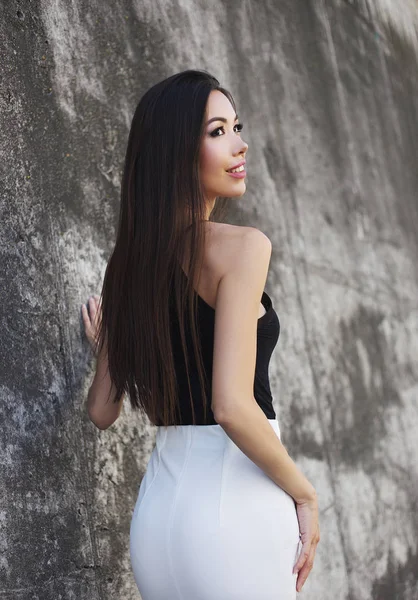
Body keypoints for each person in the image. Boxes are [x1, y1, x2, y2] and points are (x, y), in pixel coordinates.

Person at [81, 69, 320, 599]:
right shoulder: (243, 247)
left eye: (236, 127)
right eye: (217, 132)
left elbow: (102, 411)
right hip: (237, 513)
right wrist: (304, 493)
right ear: (175, 152)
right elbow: (232, 407)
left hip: (158, 522)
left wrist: (112, 346)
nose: (240, 144)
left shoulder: (128, 266)